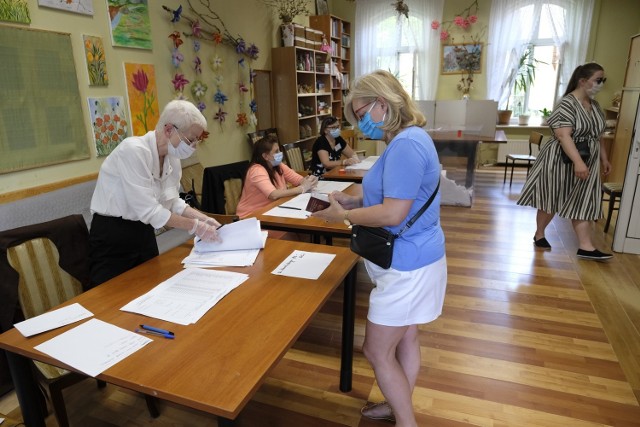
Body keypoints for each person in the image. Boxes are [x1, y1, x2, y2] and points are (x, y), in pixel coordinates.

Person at [312, 70, 446, 427]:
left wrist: (344, 216)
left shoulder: (404, 145)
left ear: (382, 104)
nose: (359, 123)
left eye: (361, 114)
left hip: (407, 264)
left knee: (376, 349)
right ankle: (397, 403)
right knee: (406, 338)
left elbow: (392, 211)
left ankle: (406, 421)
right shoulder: (411, 138)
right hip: (420, 255)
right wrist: (351, 199)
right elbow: (385, 194)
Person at [89, 100, 221, 287]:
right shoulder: (133, 151)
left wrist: (204, 219)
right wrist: (195, 226)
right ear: (169, 130)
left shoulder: (172, 159)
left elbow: (173, 201)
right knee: (111, 296)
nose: (193, 146)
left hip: (143, 231)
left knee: (150, 287)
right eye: (190, 140)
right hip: (113, 235)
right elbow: (149, 210)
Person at [517, 62, 613, 261]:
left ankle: (586, 246)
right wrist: (578, 162)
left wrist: (604, 159)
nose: (601, 84)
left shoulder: (594, 106)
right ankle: (540, 233)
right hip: (561, 159)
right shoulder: (567, 104)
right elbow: (563, 135)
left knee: (584, 200)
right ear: (583, 81)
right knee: (551, 198)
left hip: (588, 159)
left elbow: (598, 136)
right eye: (598, 80)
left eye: (603, 80)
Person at [236, 135, 318, 218]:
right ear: (265, 156)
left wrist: (309, 181)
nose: (280, 153)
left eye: (279, 150)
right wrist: (302, 188)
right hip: (251, 217)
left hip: (271, 210)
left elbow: (298, 179)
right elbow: (273, 194)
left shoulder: (278, 165)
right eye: (276, 151)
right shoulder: (256, 170)